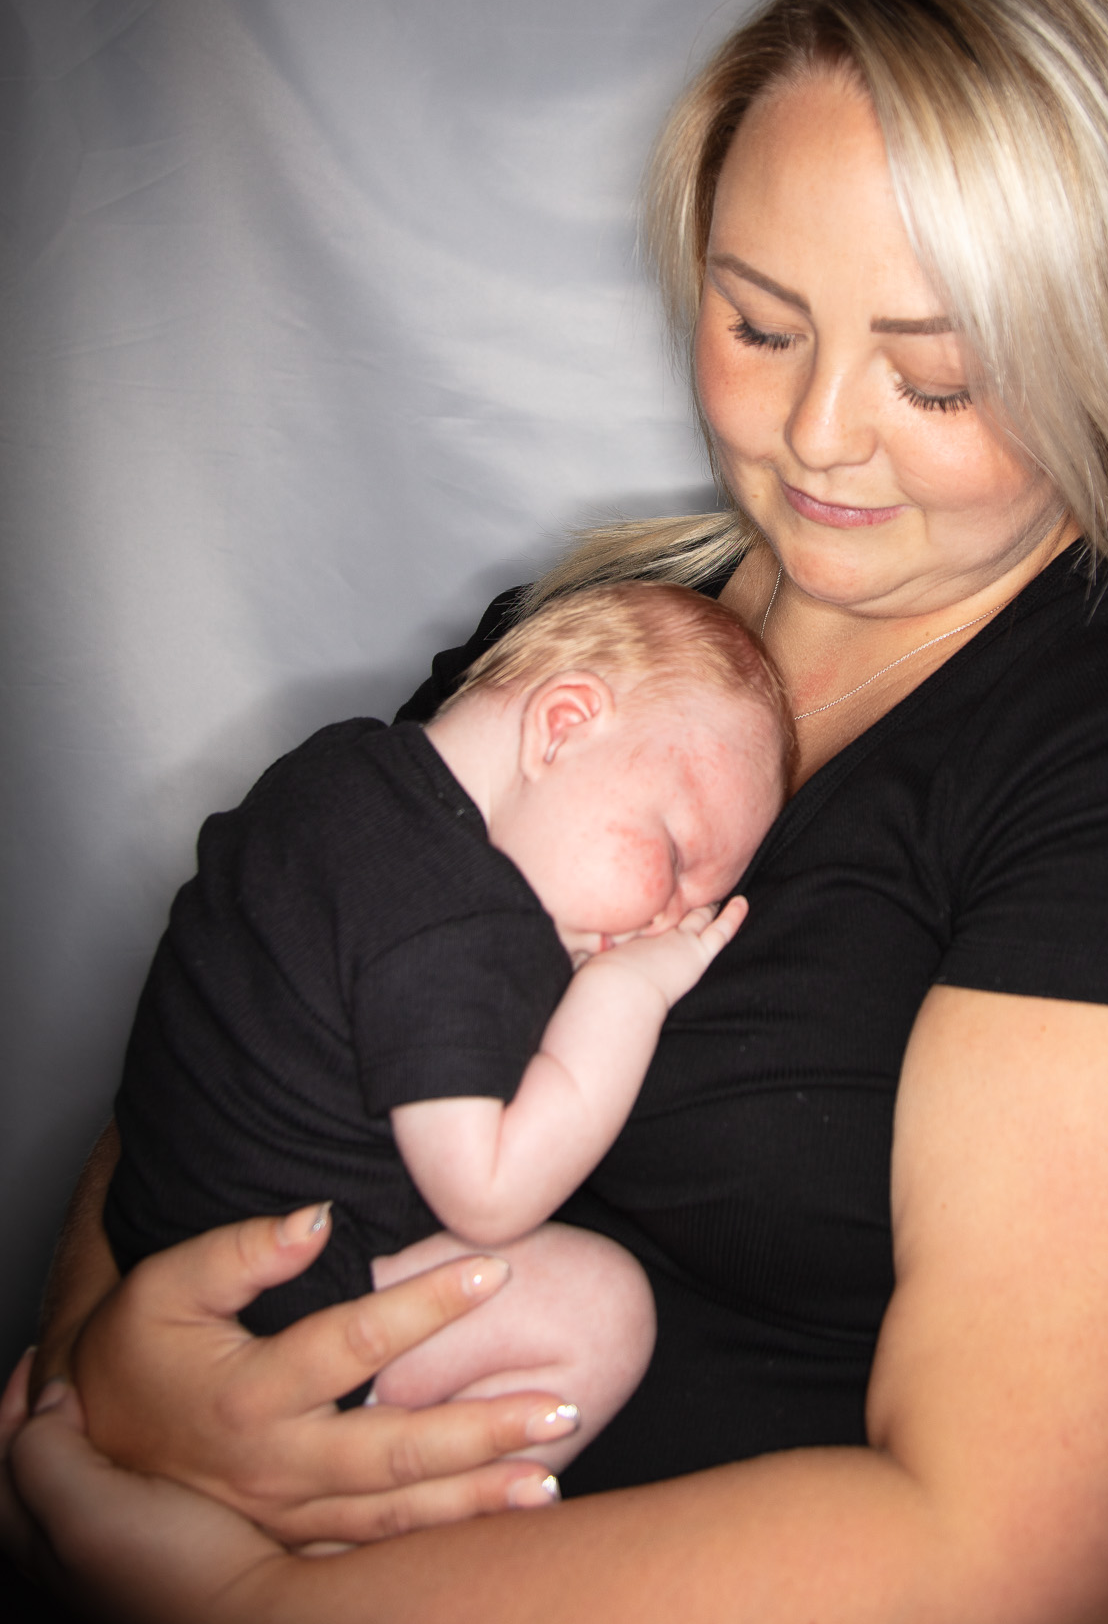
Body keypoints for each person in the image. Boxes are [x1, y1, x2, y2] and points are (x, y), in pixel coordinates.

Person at [6, 0, 1108, 1624]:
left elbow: (1025, 1609)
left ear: (1106, 338)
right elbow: (256, 1007)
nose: (820, 433)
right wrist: (128, 1374)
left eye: (936, 372)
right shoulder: (588, 654)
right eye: (758, 322)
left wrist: (237, 1618)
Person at [103, 580, 788, 1462]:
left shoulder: (341, 768)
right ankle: (401, 1509)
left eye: (697, 905)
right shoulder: (462, 927)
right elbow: (490, 1194)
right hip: (274, 1307)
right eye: (675, 857)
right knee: (598, 1308)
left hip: (156, 1237)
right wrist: (626, 997)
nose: (667, 924)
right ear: (562, 725)